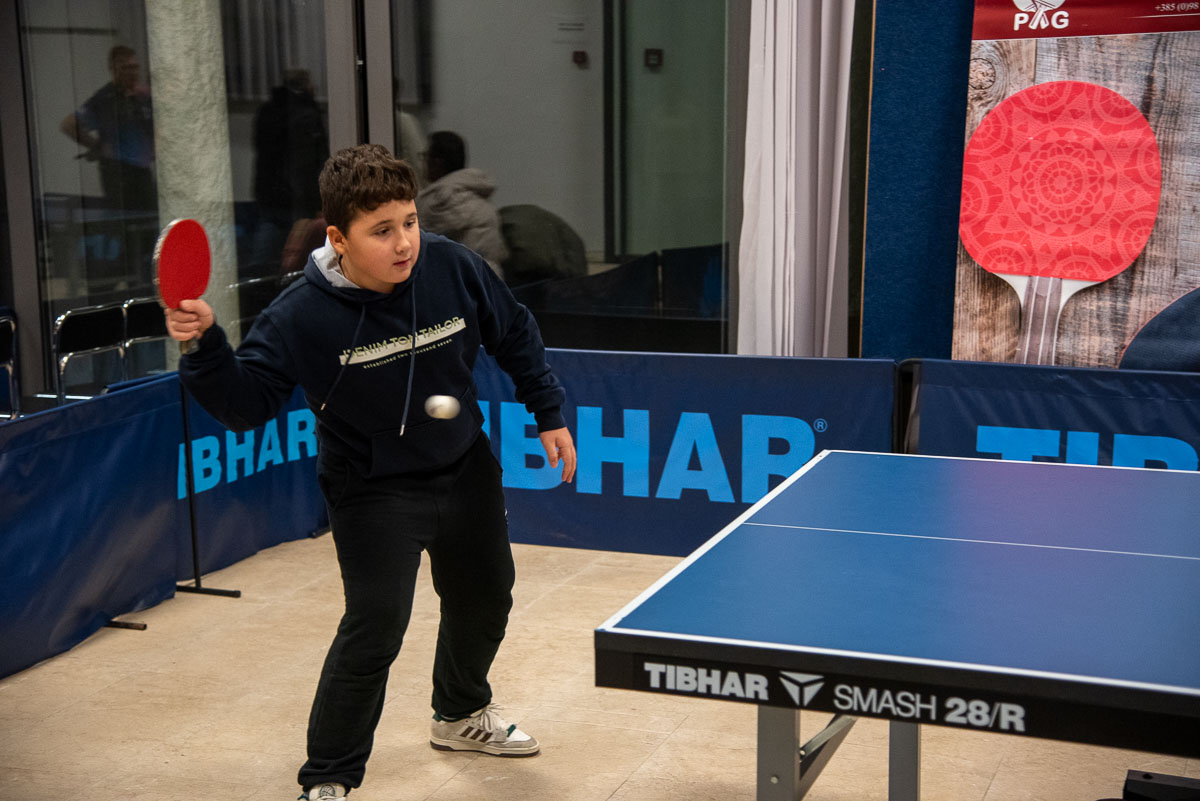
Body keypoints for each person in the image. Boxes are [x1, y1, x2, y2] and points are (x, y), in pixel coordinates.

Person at [165, 144, 576, 801]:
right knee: (376, 625)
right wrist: (204, 346)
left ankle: (459, 713)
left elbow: (515, 330)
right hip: (371, 485)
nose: (404, 242)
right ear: (339, 238)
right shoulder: (299, 314)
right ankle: (328, 775)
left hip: (463, 464)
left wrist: (547, 411)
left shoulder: (451, 265)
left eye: (409, 221)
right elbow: (245, 406)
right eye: (382, 230)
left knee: (486, 596)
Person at [60, 45, 156, 212]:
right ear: (114, 70)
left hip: (142, 171)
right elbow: (68, 125)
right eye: (126, 68)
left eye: (135, 67)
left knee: (150, 216)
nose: (133, 73)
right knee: (129, 219)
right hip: (119, 174)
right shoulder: (105, 99)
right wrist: (97, 146)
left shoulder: (141, 96)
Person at [252, 69, 329, 270]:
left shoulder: (267, 111)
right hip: (298, 197)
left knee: (267, 247)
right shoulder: (307, 114)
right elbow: (311, 163)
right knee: (299, 256)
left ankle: (256, 278)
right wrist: (318, 199)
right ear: (306, 85)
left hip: (268, 191)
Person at [416, 131, 509, 276]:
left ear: (436, 162)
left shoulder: (437, 200)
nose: (423, 162)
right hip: (491, 281)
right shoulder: (478, 194)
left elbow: (415, 245)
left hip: (460, 283)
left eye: (425, 156)